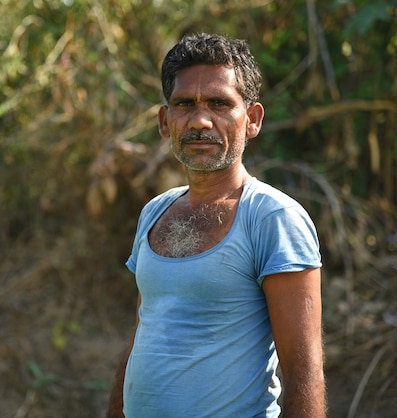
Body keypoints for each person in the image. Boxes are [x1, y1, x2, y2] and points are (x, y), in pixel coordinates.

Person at [106, 33, 325, 417]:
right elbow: (146, 331)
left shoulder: (272, 218)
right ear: (164, 120)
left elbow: (303, 368)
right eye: (184, 104)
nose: (201, 120)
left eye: (220, 104)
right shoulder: (155, 212)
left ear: (252, 120)